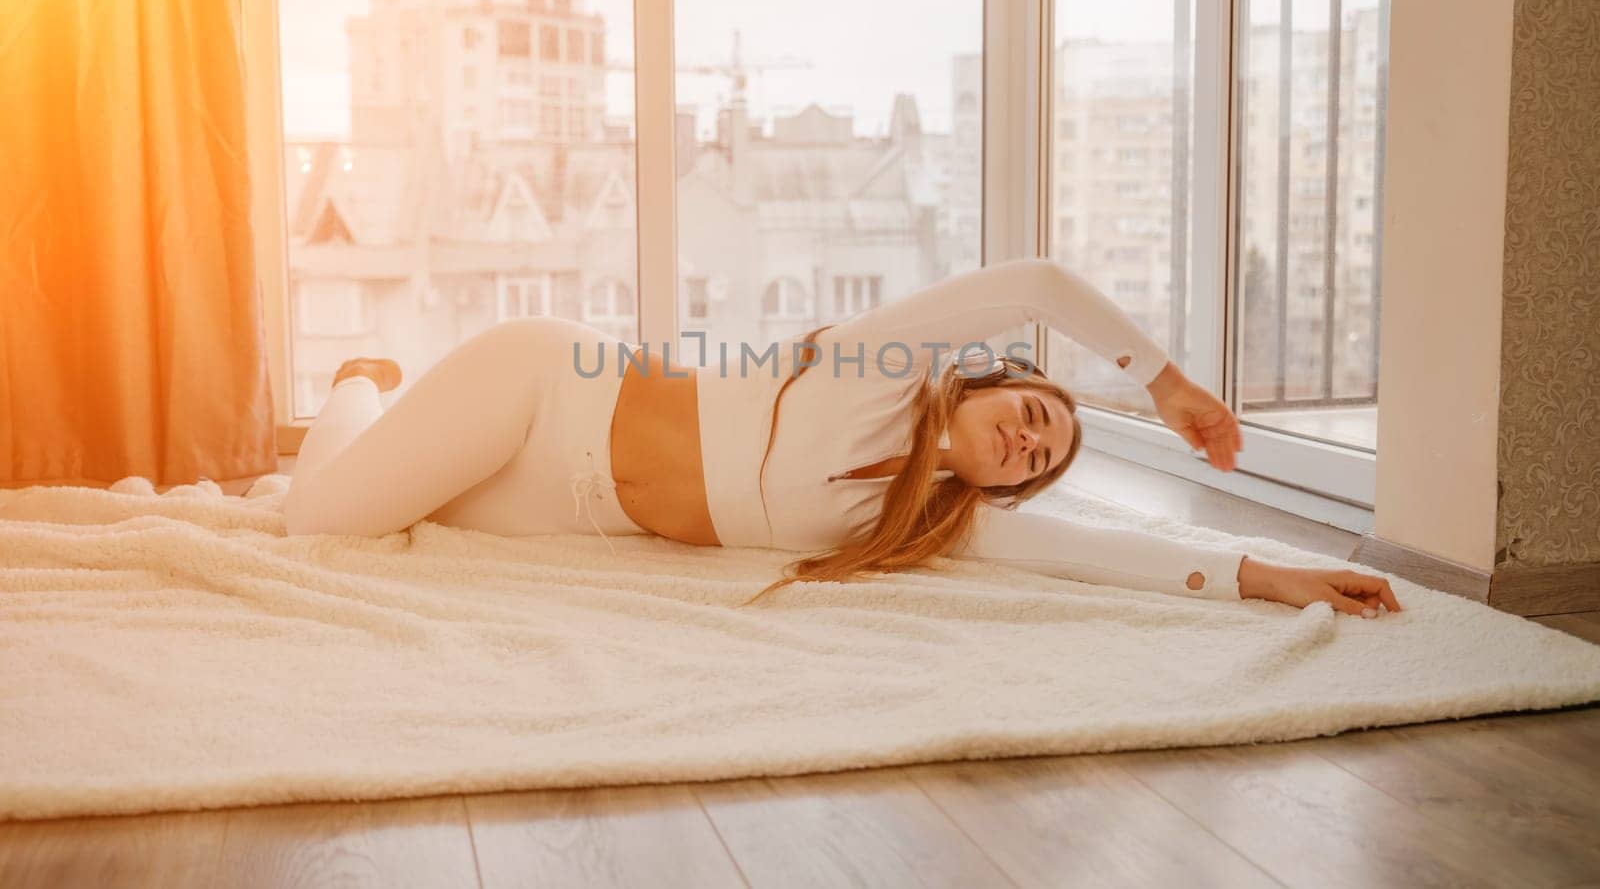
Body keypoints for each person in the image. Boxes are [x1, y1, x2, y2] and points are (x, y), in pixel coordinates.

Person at [284, 257, 1401, 618]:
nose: (1030, 441)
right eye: (1031, 414)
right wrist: (1161, 383)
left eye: (1041, 457)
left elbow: (1103, 556)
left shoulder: (909, 522)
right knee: (311, 520)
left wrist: (1271, 575)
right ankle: (357, 379)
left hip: (564, 505)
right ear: (982, 383)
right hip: (541, 389)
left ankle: (371, 415)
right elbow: (1031, 279)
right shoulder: (875, 364)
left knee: (362, 515)